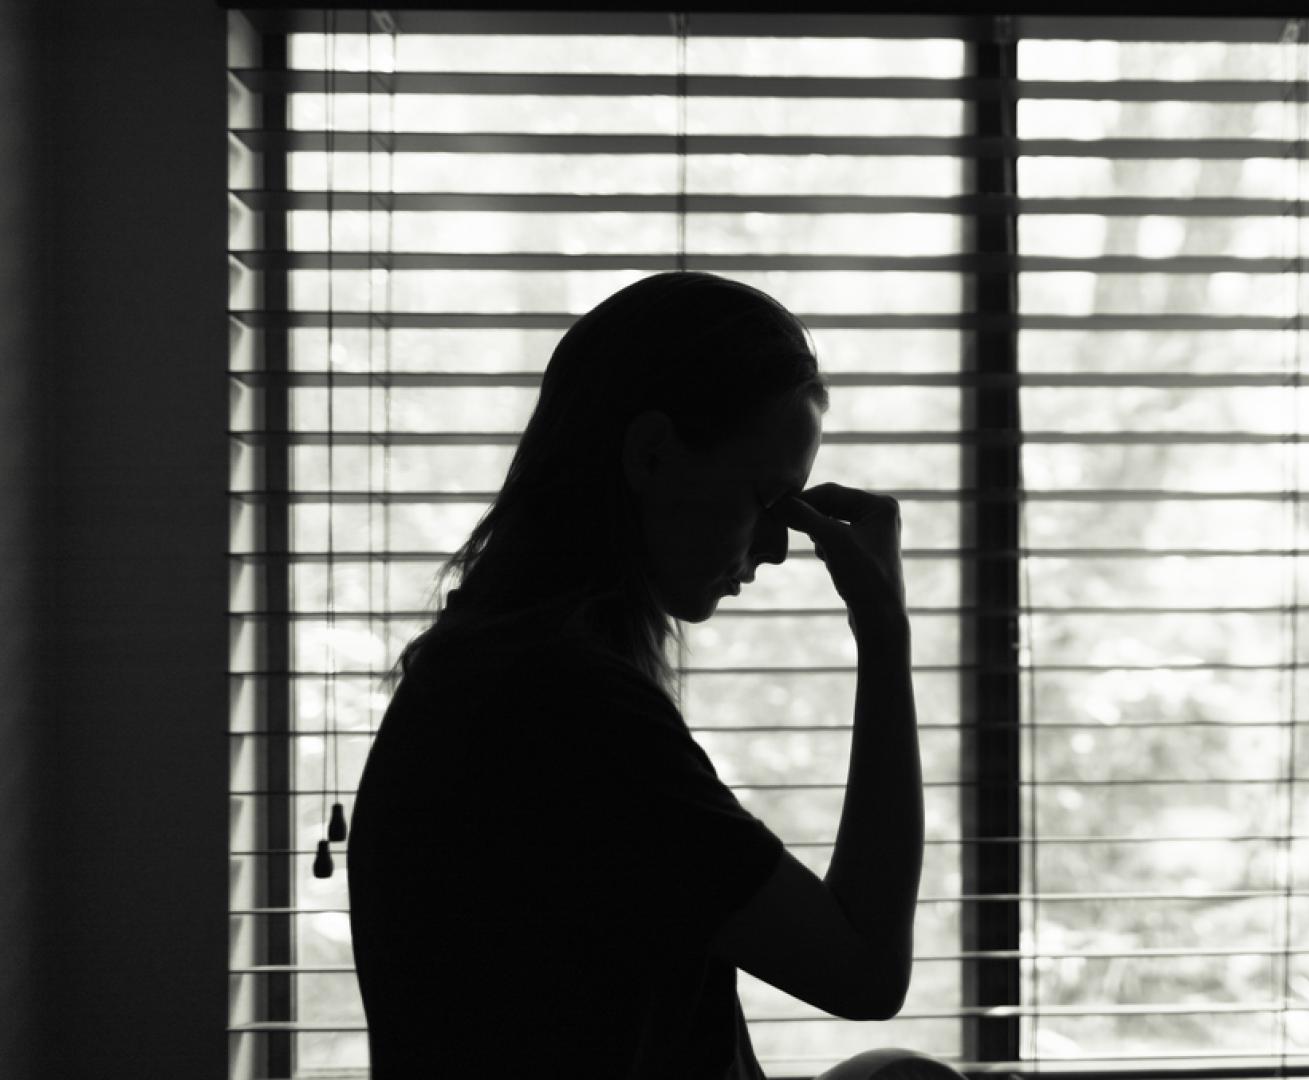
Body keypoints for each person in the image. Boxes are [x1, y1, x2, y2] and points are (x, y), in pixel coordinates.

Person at [345, 272, 963, 1080]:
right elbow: (865, 971)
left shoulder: (495, 665)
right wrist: (884, 636)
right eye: (764, 495)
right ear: (651, 454)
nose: (778, 547)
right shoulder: (566, 712)